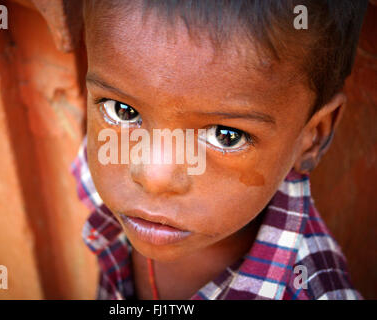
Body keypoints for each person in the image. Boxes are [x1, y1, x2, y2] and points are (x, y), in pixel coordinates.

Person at [71, 0, 368, 299]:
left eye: (226, 137)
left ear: (313, 136)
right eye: (123, 111)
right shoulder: (97, 166)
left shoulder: (313, 291)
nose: (153, 177)